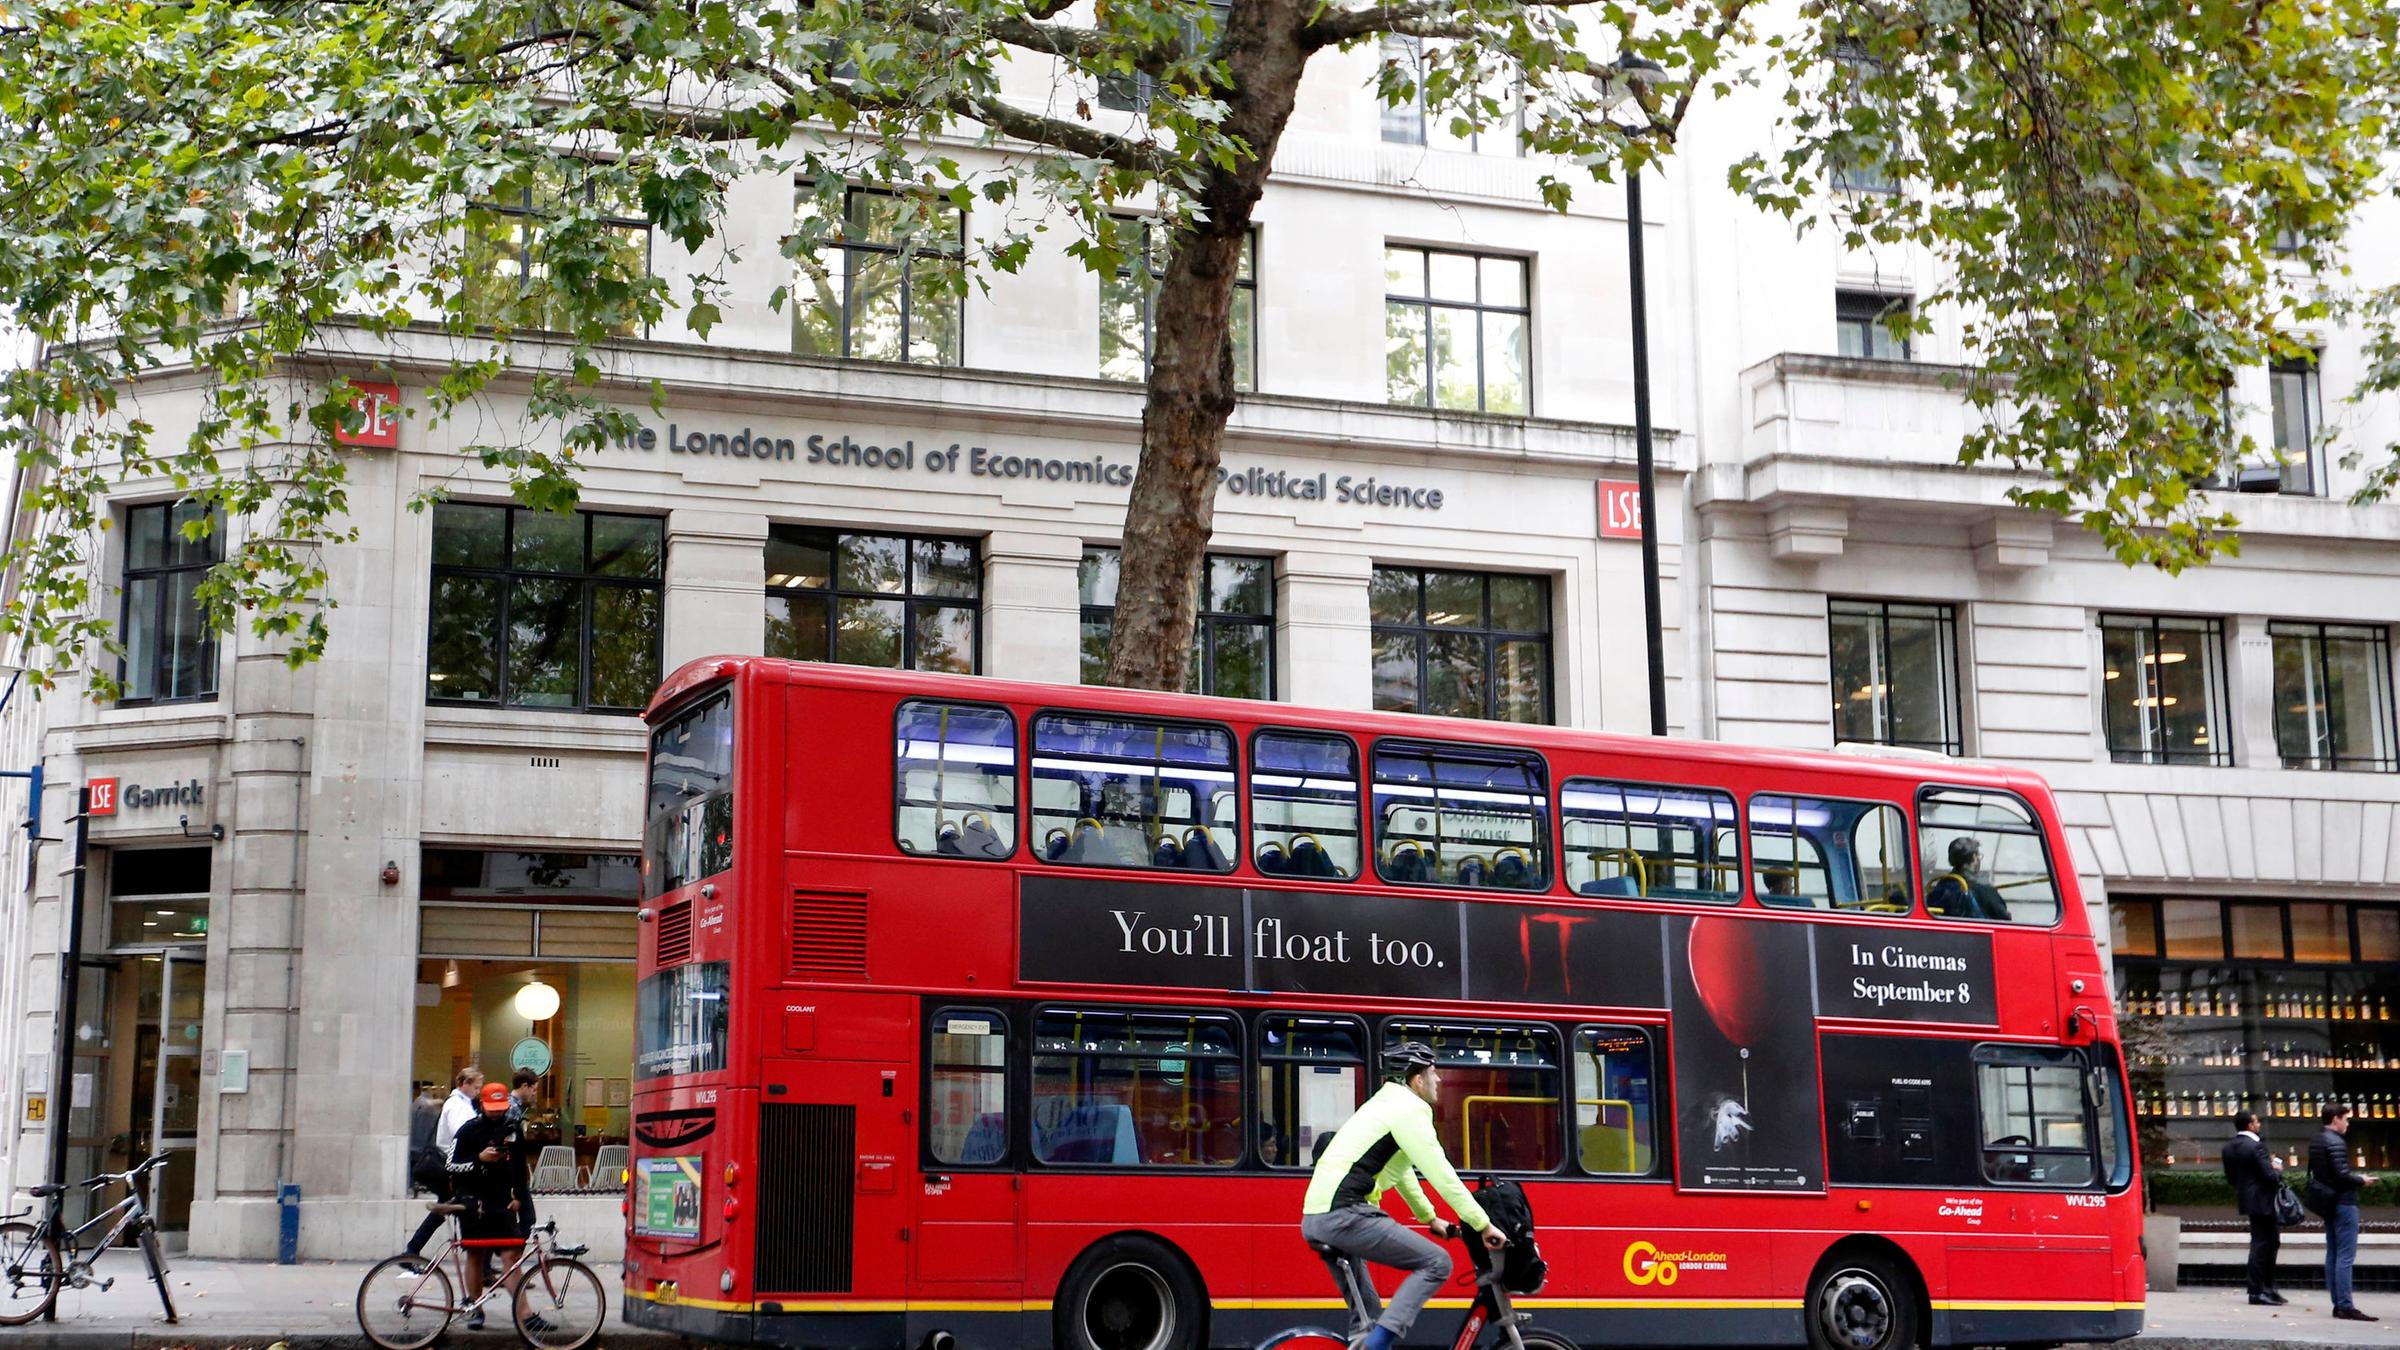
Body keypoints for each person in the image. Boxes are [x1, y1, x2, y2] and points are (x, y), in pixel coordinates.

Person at [1301, 1041, 1504, 1350]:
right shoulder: (1410, 1109)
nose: (1439, 1080)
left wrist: (1430, 1218)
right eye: (1433, 1073)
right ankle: (1377, 1345)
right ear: (1416, 1079)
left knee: (1367, 1319)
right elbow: (1441, 1173)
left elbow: (1402, 1171)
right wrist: (1483, 1224)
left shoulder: (1384, 1104)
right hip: (1345, 1213)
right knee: (1437, 1263)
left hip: (1318, 1216)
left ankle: (1368, 1343)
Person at [449, 1081, 536, 1332]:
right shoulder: (469, 1131)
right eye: (491, 1108)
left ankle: (525, 1313)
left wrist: (519, 1196)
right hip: (474, 1201)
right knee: (475, 1255)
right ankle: (475, 1307)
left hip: (502, 1201)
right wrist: (479, 1159)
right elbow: (451, 1165)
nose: (496, 1113)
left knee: (511, 1255)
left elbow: (520, 1167)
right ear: (482, 1105)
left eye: (500, 1108)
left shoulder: (513, 1130)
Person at [403, 1067, 483, 1260]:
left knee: (449, 1209)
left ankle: (412, 1249)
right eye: (476, 1087)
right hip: (455, 1167)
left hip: (453, 1165)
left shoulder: (461, 1104)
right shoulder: (458, 1105)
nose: (478, 1092)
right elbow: (462, 1133)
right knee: (465, 1208)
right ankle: (476, 1257)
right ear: (464, 1084)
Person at [2309, 1103, 2377, 1322]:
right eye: (2346, 1119)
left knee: (2333, 1253)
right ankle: (2346, 1305)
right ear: (2336, 1119)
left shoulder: (2317, 1139)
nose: (2348, 1123)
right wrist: (2362, 1180)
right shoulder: (2335, 1141)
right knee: (2346, 1255)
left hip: (2327, 1202)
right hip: (2343, 1202)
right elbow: (2341, 1176)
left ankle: (2337, 1303)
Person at [2221, 1110, 2285, 1305]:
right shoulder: (2256, 1147)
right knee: (2263, 1244)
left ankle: (2267, 1288)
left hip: (2248, 1200)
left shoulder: (2229, 1147)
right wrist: (2276, 1169)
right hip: (2263, 1200)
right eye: (2256, 1121)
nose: (2259, 1124)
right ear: (2250, 1125)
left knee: (2267, 1242)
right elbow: (2269, 1176)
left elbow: (2232, 1178)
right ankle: (2258, 1290)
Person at [1926, 837, 2010, 921]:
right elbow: (2004, 918)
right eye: (1979, 856)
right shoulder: (1982, 887)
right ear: (1974, 857)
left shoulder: (1941, 883)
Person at [507, 1069, 542, 1236]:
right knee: (527, 1219)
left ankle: (509, 1257)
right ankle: (511, 1258)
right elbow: (512, 1149)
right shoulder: (512, 1110)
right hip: (512, 1175)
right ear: (524, 1086)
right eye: (534, 1089)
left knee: (522, 1220)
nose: (534, 1094)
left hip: (514, 1175)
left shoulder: (516, 1108)